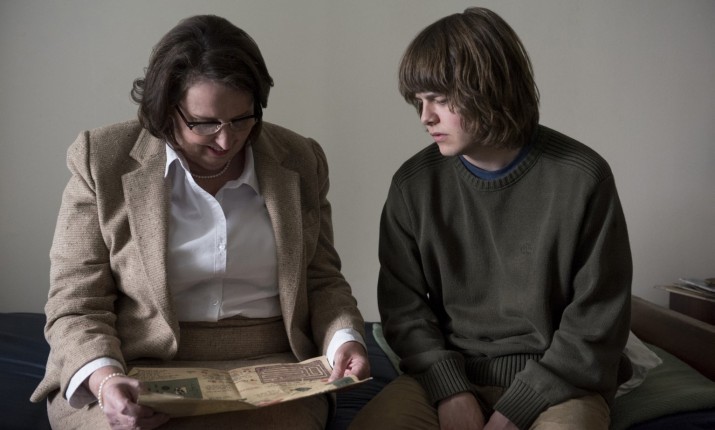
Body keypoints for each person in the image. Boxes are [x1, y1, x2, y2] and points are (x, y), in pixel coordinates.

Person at [30, 14, 369, 430]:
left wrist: (344, 338)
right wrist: (104, 380)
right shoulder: (101, 159)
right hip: (132, 362)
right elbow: (76, 303)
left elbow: (322, 281)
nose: (227, 140)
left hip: (270, 364)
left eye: (242, 119)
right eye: (205, 123)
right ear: (165, 109)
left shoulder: (300, 159)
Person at [350, 7, 632, 430]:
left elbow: (597, 320)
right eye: (419, 101)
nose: (426, 117)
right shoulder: (413, 185)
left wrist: (520, 406)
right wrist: (450, 390)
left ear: (489, 89)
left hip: (559, 384)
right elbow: (403, 310)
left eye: (440, 99)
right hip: (448, 376)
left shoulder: (582, 177)